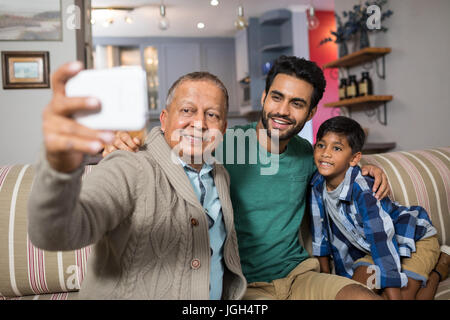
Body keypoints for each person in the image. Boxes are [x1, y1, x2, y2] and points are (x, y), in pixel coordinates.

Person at [105, 56, 391, 299]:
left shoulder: (308, 154)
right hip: (245, 287)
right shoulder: (219, 143)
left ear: (311, 112)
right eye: (277, 97)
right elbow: (165, 154)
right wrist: (121, 147)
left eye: (297, 103)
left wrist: (364, 168)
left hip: (300, 275)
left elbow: (337, 169)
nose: (282, 110)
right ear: (264, 97)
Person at [27, 62, 247, 300]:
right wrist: (59, 167)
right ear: (164, 120)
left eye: (212, 115)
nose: (200, 123)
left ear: (223, 128)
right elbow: (55, 233)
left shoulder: (220, 175)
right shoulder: (129, 165)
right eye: (187, 110)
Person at [310, 116, 450, 300]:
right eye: (321, 145)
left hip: (413, 239)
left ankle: (439, 270)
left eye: (336, 148)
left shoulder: (363, 189)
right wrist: (326, 279)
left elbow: (381, 239)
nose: (325, 153)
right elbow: (320, 237)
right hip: (372, 254)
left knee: (404, 297)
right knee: (355, 294)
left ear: (354, 158)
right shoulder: (317, 185)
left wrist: (394, 296)